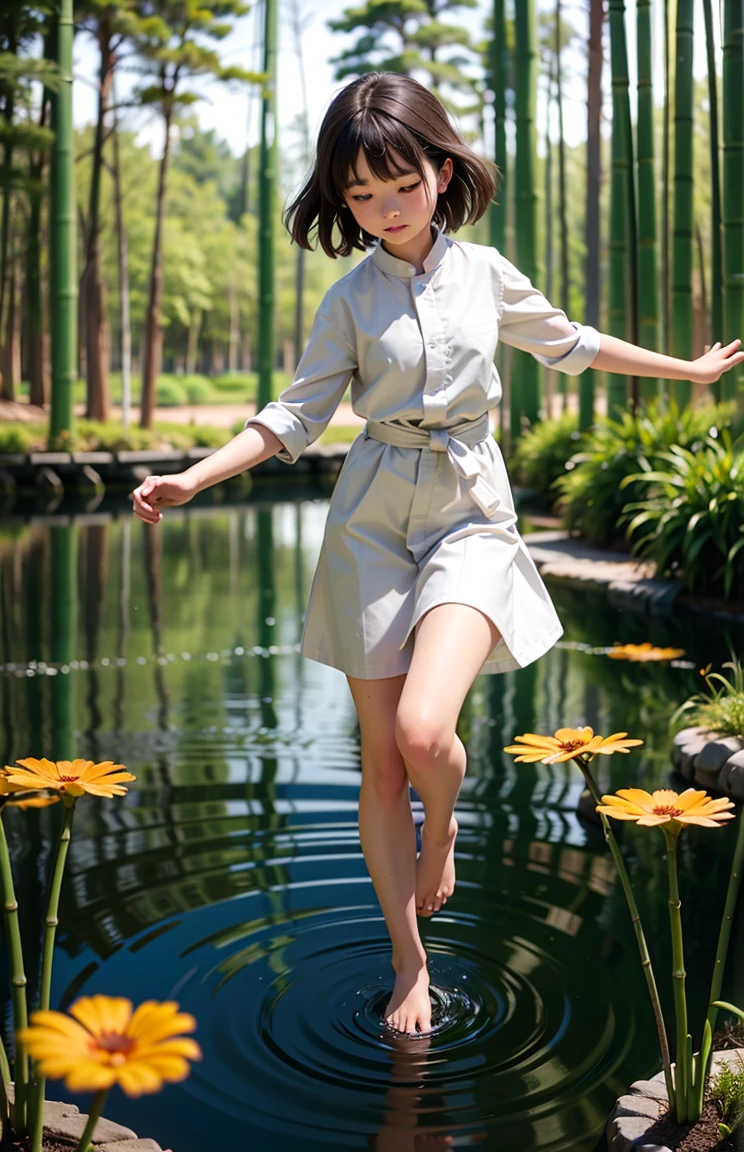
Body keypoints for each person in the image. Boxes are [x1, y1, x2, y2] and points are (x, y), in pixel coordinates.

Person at [132, 72, 744, 1038]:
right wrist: (194, 479)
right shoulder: (348, 298)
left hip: (469, 510)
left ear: (441, 167)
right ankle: (410, 959)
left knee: (425, 733)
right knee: (381, 762)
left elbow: (572, 343)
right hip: (371, 518)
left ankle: (444, 819)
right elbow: (296, 414)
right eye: (361, 196)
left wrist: (690, 368)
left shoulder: (488, 272)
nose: (385, 210)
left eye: (401, 185)